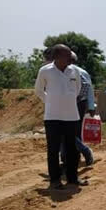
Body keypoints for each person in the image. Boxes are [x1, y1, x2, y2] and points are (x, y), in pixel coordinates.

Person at [34, 44, 88, 189]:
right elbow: (39, 90)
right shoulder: (45, 71)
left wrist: (66, 101)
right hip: (52, 117)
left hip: (71, 116)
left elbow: (77, 90)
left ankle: (73, 178)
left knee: (72, 149)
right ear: (56, 57)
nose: (70, 58)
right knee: (53, 149)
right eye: (66, 55)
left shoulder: (74, 71)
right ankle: (55, 180)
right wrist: (50, 101)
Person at [60, 51, 95, 167]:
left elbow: (87, 88)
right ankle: (69, 156)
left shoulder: (76, 72)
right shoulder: (81, 72)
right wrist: (90, 106)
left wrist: (89, 106)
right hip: (78, 103)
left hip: (76, 104)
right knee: (72, 132)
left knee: (66, 132)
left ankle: (82, 151)